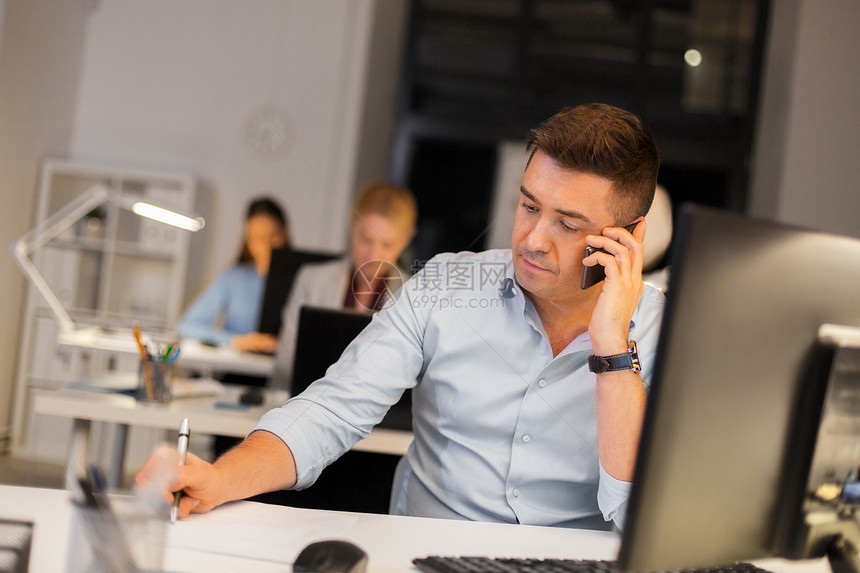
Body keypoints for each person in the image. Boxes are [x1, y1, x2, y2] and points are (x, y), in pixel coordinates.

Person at [138, 103, 664, 531]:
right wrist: (222, 479)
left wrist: (612, 346)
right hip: (426, 553)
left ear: (629, 237)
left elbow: (634, 511)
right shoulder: (444, 286)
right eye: (528, 207)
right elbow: (333, 408)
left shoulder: (668, 333)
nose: (532, 240)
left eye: (568, 224)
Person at [272, 181, 418, 389]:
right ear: (352, 225)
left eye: (387, 245)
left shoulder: (413, 295)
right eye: (366, 240)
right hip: (307, 405)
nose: (374, 256)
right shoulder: (312, 281)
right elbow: (285, 364)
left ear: (405, 241)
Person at [178, 197, 289, 353]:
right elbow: (187, 326)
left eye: (273, 236)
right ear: (247, 241)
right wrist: (236, 341)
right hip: (238, 370)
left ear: (285, 233)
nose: (266, 246)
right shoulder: (234, 278)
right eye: (257, 238)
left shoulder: (304, 280)